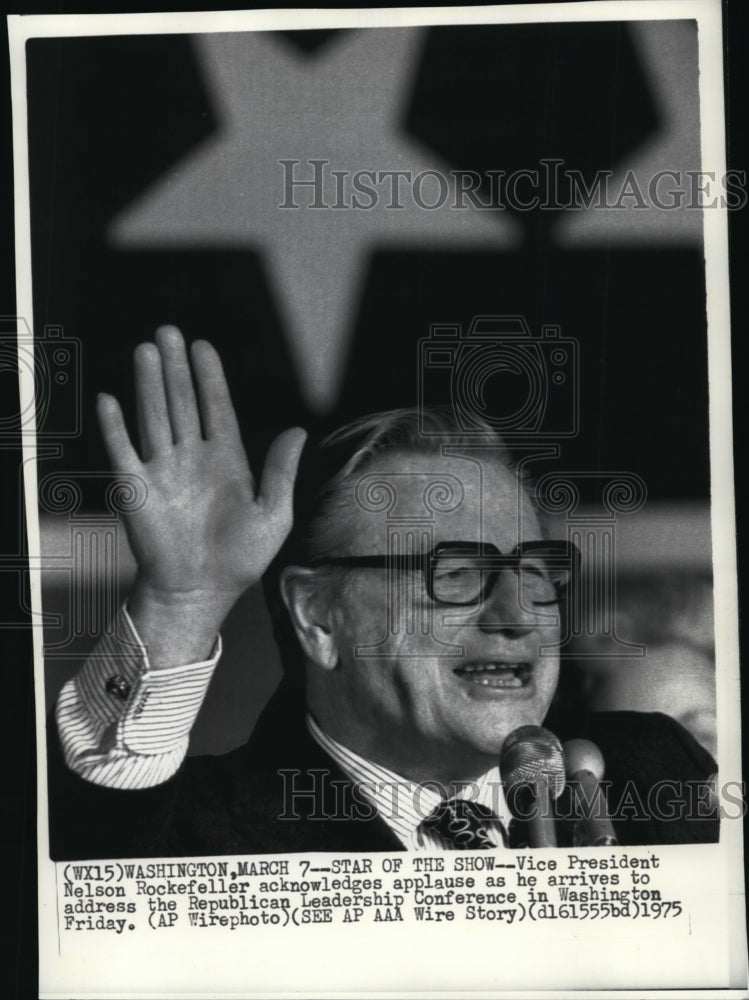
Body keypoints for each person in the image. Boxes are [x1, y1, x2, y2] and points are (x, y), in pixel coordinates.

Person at [48, 327, 719, 858]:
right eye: (456, 574)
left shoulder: (646, 777)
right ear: (318, 617)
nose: (516, 615)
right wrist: (181, 603)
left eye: (535, 571)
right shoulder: (199, 834)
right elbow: (92, 856)